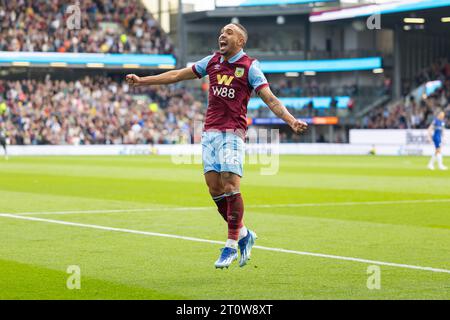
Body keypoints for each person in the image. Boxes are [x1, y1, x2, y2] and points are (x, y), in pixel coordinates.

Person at [125, 23, 307, 269]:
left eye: (229, 32)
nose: (223, 35)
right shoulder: (211, 61)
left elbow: (270, 100)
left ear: (241, 41)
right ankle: (244, 233)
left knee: (230, 181)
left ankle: (231, 245)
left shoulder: (250, 67)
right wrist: (143, 81)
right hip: (209, 133)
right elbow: (177, 75)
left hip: (233, 132)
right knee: (214, 188)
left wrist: (291, 121)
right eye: (222, 32)